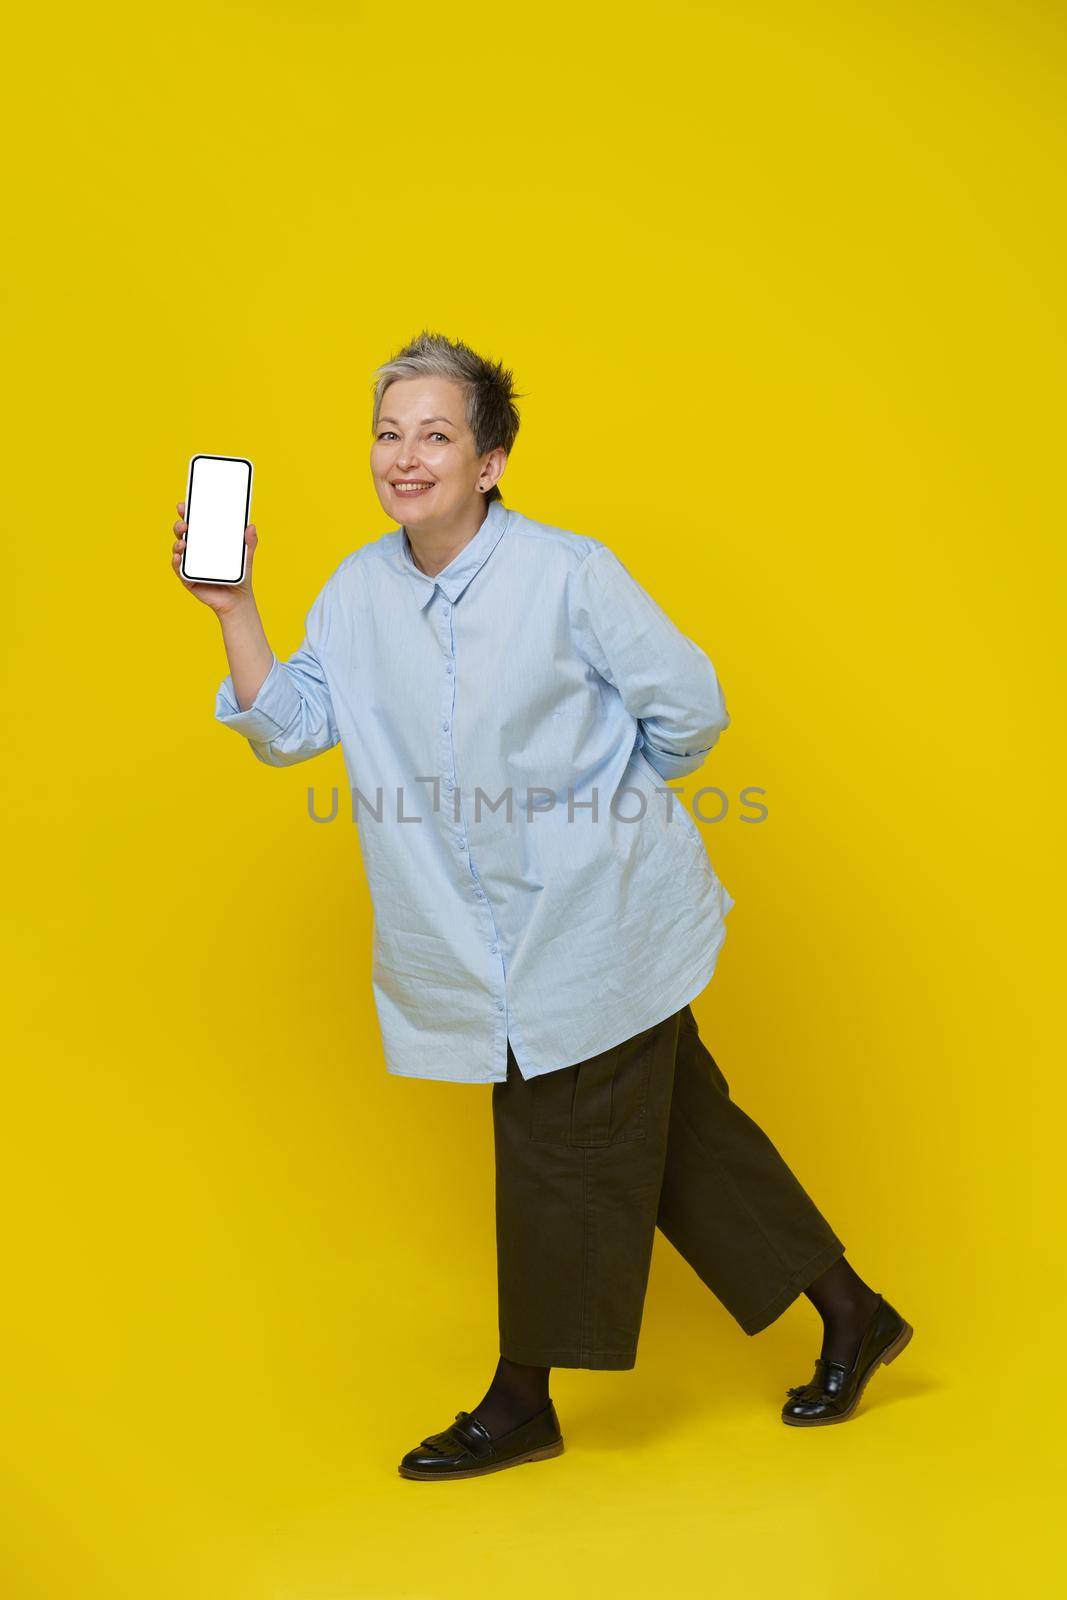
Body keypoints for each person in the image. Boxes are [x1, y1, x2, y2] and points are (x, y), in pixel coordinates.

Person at [172, 329, 913, 1482]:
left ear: (490, 459)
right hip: (479, 943)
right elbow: (293, 726)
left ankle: (521, 1398)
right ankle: (853, 1312)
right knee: (683, 1145)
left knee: (555, 1141)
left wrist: (602, 813)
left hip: (599, 921)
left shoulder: (569, 573)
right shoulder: (357, 592)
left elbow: (690, 708)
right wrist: (232, 604)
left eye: (436, 434)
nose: (404, 457)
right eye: (387, 432)